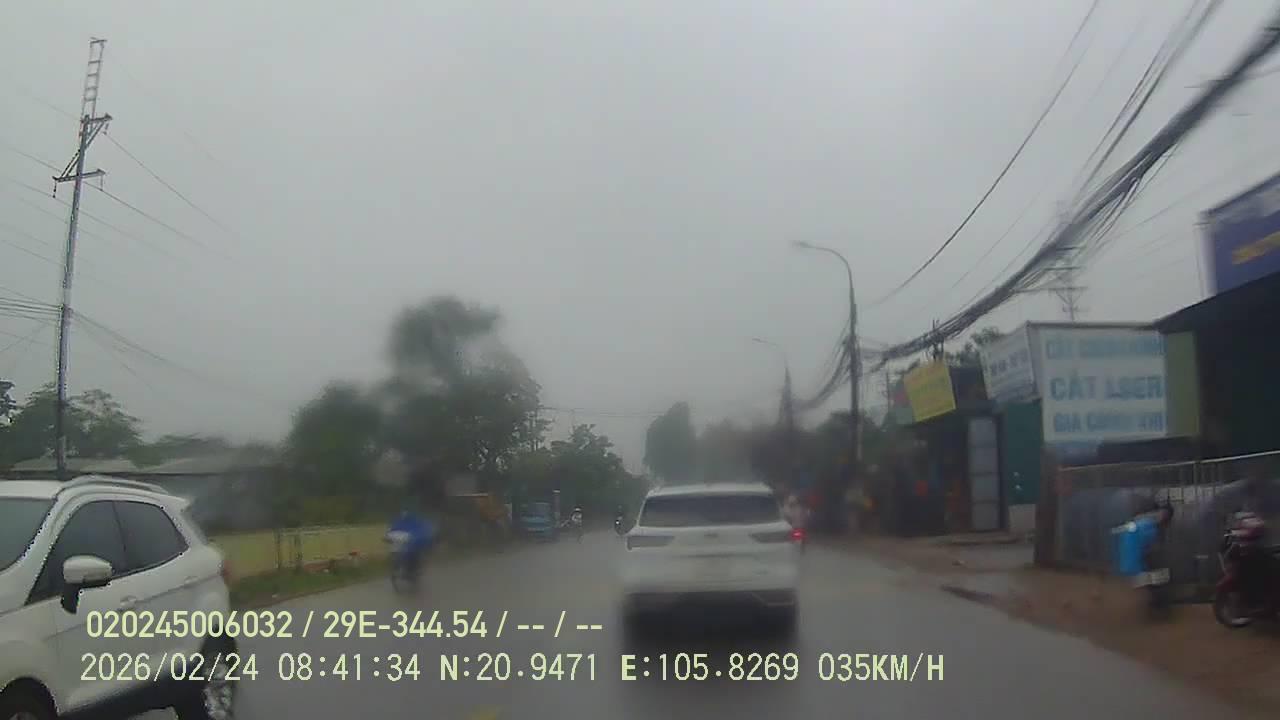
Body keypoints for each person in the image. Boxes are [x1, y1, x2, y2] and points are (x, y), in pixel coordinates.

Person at [388, 508, 435, 581]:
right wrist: (388, 536)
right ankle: (403, 569)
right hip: (402, 544)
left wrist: (417, 537)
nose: (404, 516)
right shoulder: (399, 522)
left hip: (413, 544)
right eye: (403, 515)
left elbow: (421, 530)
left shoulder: (415, 522)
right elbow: (393, 529)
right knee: (398, 553)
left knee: (414, 554)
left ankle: (415, 570)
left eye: (405, 515)